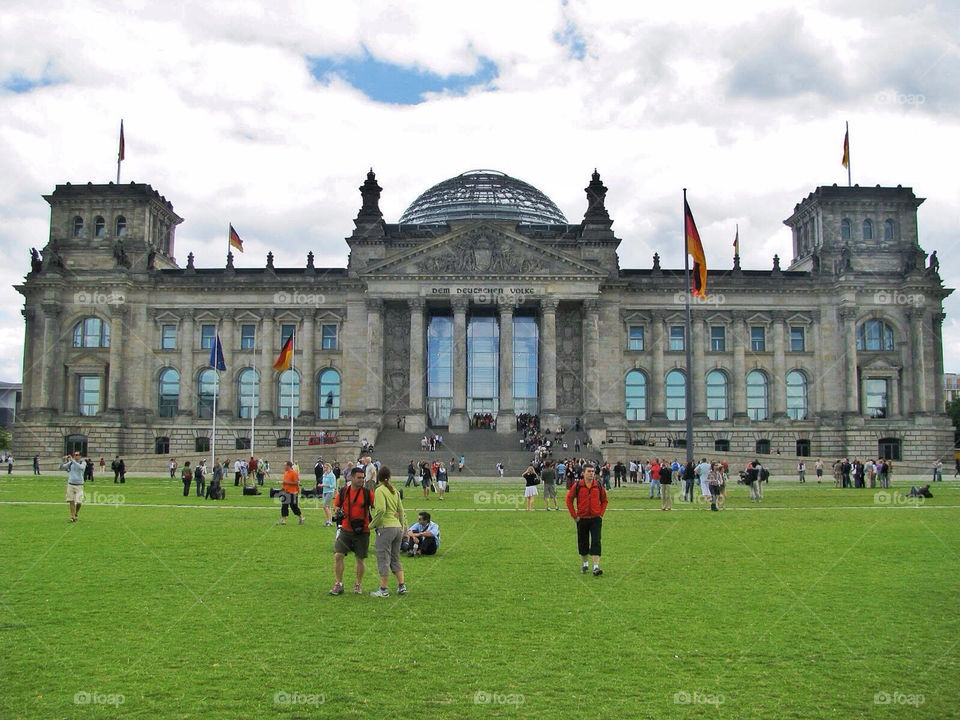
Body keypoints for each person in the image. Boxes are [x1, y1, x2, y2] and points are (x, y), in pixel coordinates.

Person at [330, 467, 375, 595]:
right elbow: (336, 505)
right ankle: (338, 583)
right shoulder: (344, 491)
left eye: (363, 478)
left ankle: (358, 584)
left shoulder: (367, 493)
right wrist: (337, 510)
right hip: (346, 529)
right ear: (352, 478)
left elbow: (376, 506)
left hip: (363, 530)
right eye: (359, 478)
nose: (362, 480)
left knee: (360, 558)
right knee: (338, 555)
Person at [370, 466, 407, 597]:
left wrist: (371, 525)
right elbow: (401, 511)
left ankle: (383, 589)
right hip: (397, 528)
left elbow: (380, 510)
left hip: (386, 528)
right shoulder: (394, 491)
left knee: (383, 557)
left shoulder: (380, 490)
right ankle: (401, 585)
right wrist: (402, 528)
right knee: (395, 558)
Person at [565, 465, 607, 575]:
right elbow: (569, 500)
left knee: (596, 541)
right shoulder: (578, 485)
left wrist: (600, 514)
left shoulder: (598, 485)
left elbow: (604, 500)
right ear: (583, 473)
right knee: (583, 542)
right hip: (582, 518)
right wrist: (574, 516)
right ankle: (585, 564)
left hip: (595, 518)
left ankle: (596, 567)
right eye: (589, 471)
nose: (591, 473)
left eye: (593, 471)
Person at [61, 451, 86, 522]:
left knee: (79, 502)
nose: (75, 456)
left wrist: (72, 460)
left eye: (77, 455)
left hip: (79, 484)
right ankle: (73, 517)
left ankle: (75, 513)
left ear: (80, 456)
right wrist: (63, 461)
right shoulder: (71, 462)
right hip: (71, 484)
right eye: (74, 455)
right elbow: (62, 467)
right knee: (71, 501)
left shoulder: (82, 462)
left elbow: (81, 468)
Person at [278, 460, 304, 525]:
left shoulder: (294, 473)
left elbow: (296, 483)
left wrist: (287, 482)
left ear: (288, 466)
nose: (284, 466)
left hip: (293, 492)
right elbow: (285, 482)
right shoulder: (285, 473)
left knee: (294, 506)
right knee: (284, 506)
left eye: (285, 465)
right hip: (285, 491)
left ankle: (301, 517)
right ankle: (283, 520)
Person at [321, 462, 337, 526]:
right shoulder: (324, 474)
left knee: (325, 506)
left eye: (325, 467)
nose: (324, 468)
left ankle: (329, 521)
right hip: (324, 491)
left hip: (330, 492)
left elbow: (333, 485)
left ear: (328, 467)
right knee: (327, 507)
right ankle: (328, 520)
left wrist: (324, 485)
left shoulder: (332, 475)